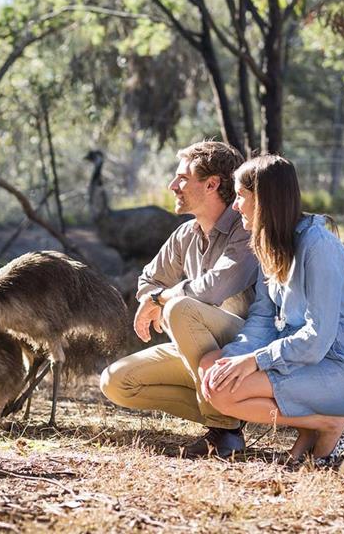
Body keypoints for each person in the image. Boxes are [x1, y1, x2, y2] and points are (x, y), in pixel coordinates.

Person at [199, 155, 344, 464]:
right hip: (302, 361)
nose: (235, 205)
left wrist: (256, 361)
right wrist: (235, 358)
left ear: (264, 199)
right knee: (211, 367)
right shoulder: (269, 244)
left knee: (223, 394)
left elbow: (318, 337)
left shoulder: (317, 246)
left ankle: (332, 423)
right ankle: (311, 429)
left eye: (241, 196)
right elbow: (262, 318)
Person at [100, 141, 259, 457]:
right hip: (197, 351)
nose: (173, 186)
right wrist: (154, 298)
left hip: (245, 349)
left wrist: (163, 301)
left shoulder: (244, 229)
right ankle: (235, 411)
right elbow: (149, 279)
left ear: (212, 184)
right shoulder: (186, 234)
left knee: (181, 307)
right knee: (116, 381)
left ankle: (223, 432)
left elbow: (215, 288)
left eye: (182, 179)